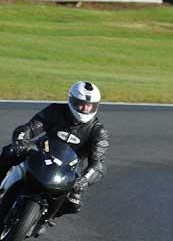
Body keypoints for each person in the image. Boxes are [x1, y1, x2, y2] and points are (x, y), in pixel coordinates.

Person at [0, 82, 109, 226]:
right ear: (71, 100)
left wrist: (85, 179)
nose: (85, 108)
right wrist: (21, 140)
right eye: (81, 104)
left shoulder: (98, 131)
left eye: (90, 105)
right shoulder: (56, 110)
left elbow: (98, 163)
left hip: (69, 169)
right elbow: (30, 128)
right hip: (42, 151)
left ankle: (43, 220)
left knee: (74, 203)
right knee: (10, 151)